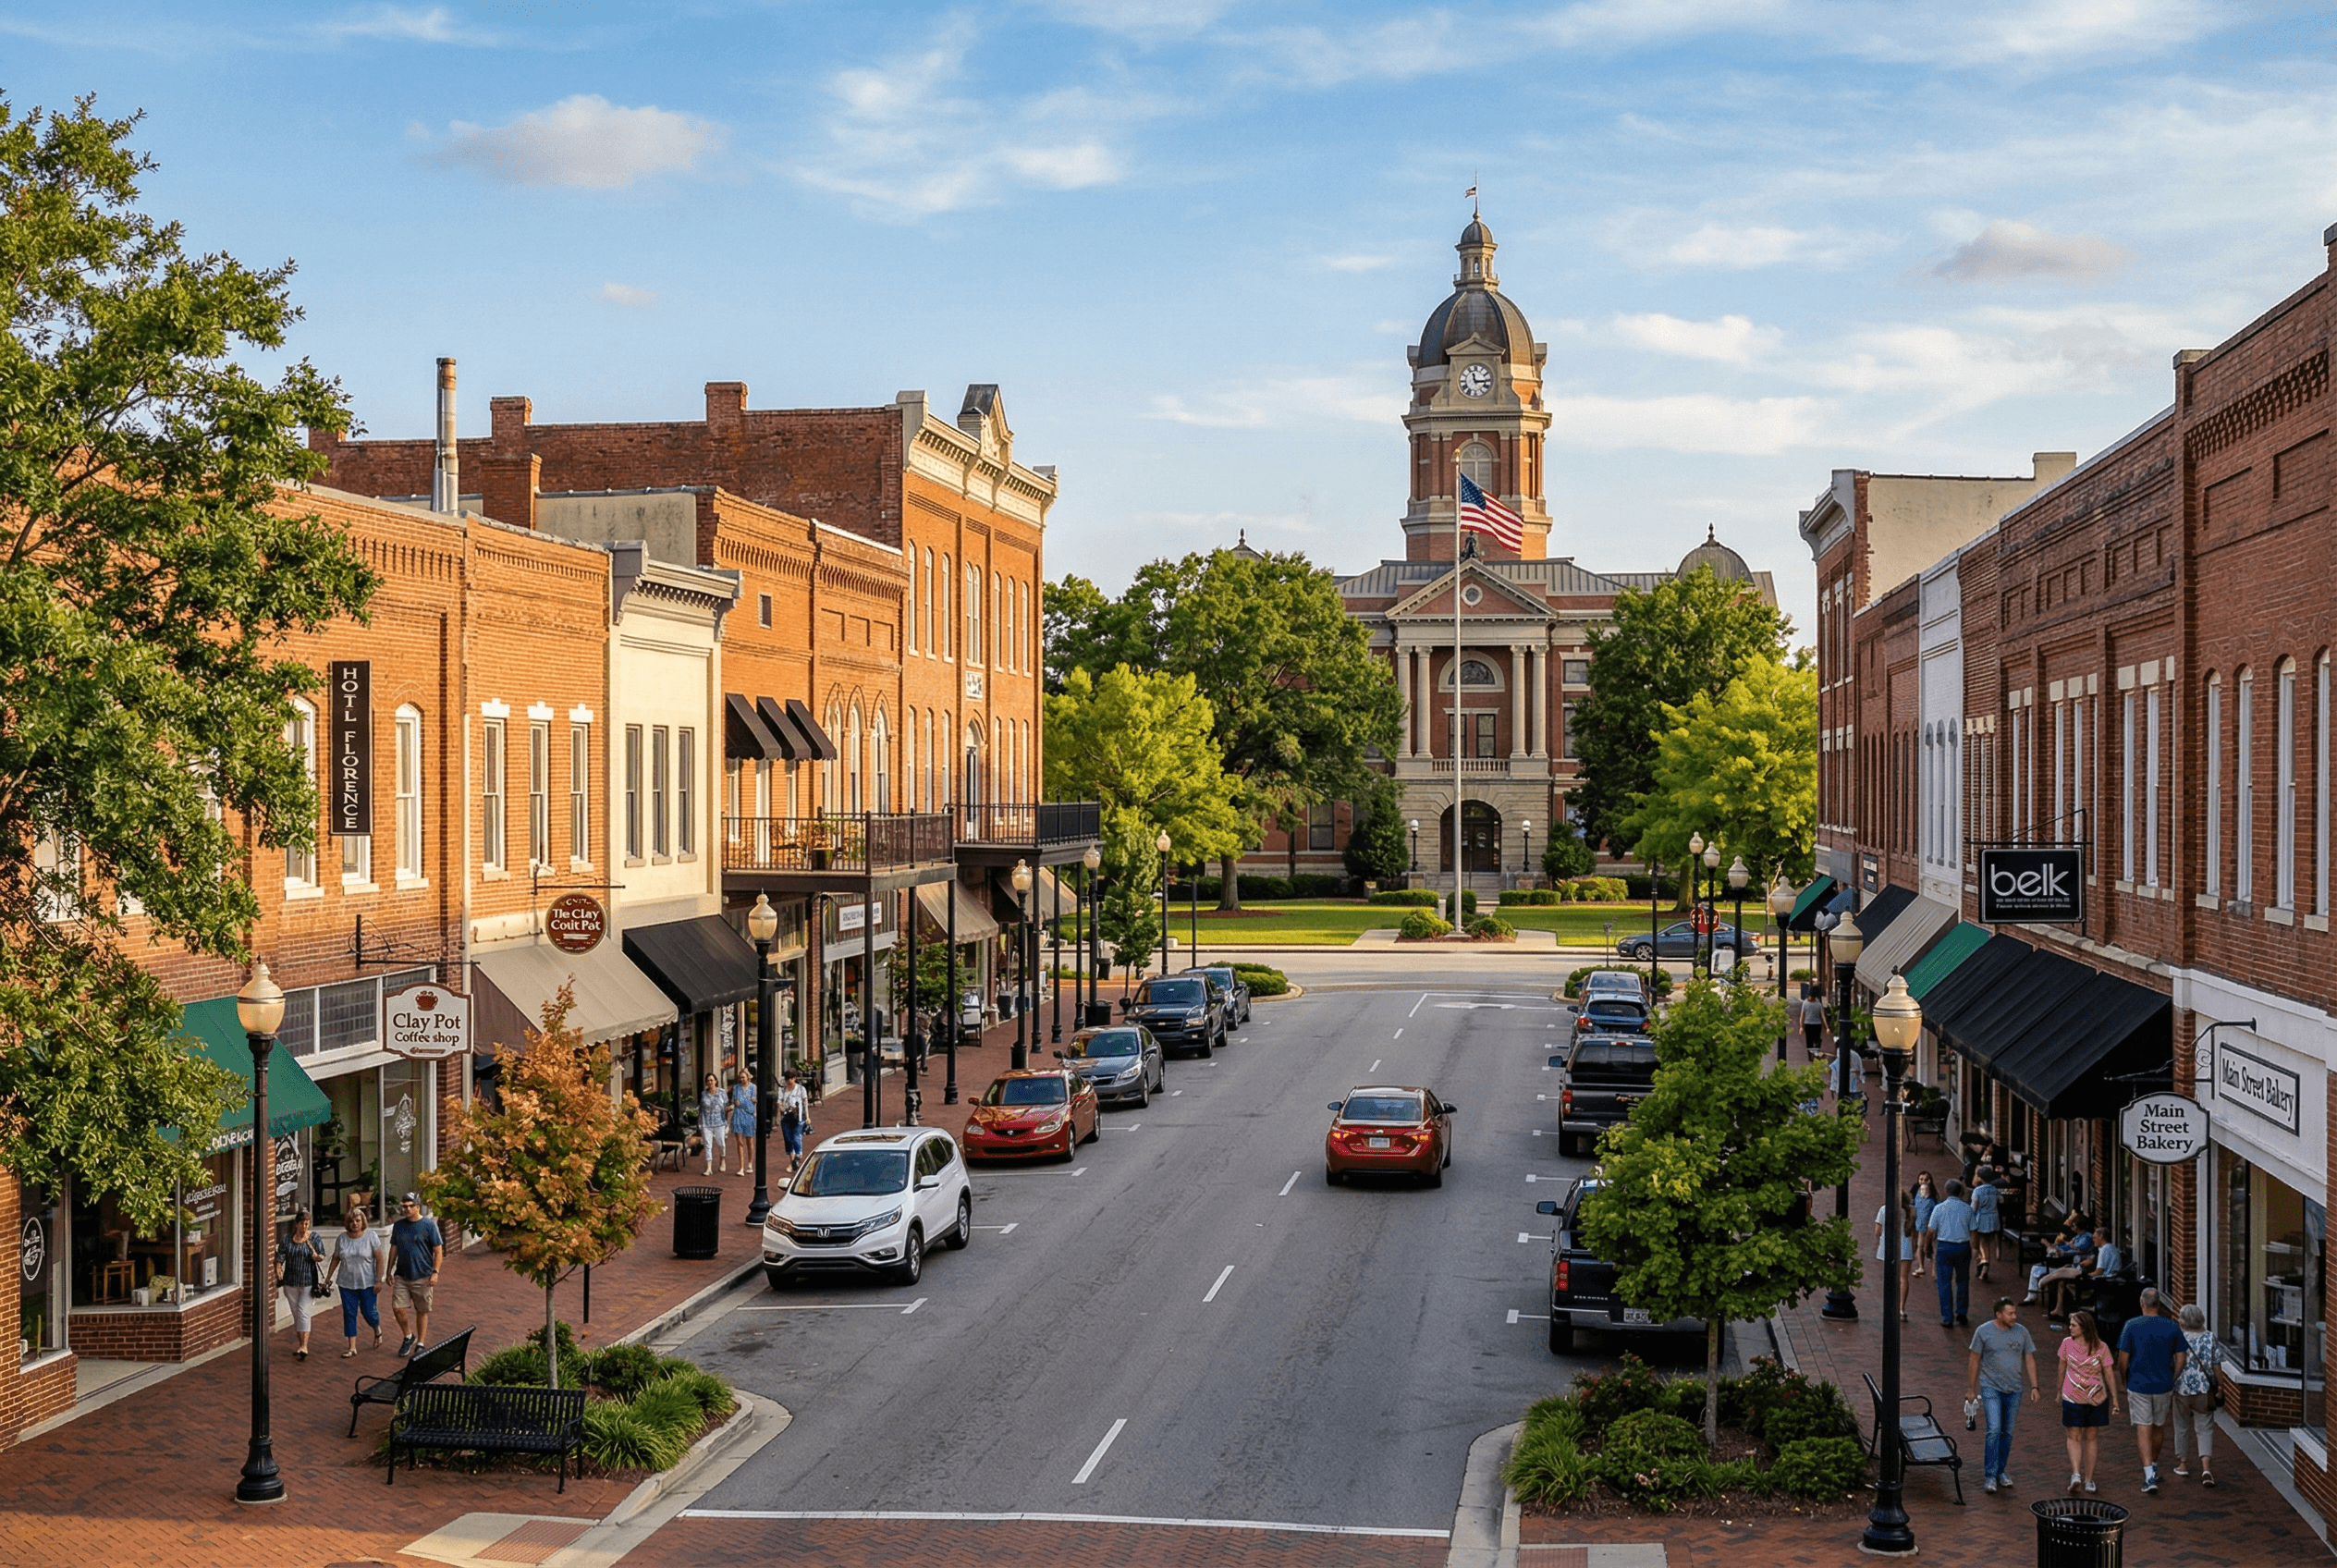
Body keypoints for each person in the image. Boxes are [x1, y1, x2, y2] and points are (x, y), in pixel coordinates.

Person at [2116, 1286, 2188, 1494]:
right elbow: (2181, 1358)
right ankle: (2154, 1467)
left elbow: (2122, 1358)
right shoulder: (2172, 1326)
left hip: (2138, 1384)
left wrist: (2124, 1378)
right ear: (2159, 1304)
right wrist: (2173, 1377)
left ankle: (2148, 1475)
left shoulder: (2132, 1325)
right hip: (2163, 1385)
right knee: (2158, 1426)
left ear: (2142, 1303)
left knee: (2143, 1427)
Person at [1966, 1294, 2041, 1494]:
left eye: (2015, 1312)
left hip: (2015, 1388)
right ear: (1998, 1315)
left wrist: (2035, 1386)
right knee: (1994, 1429)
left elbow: (2029, 1359)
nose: (2014, 1316)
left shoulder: (2022, 1332)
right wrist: (1971, 1389)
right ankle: (1990, 1475)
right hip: (1991, 1387)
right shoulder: (1983, 1331)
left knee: (2007, 1432)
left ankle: (2001, 1470)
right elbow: (1974, 1360)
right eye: (2010, 1313)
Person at [2058, 1308, 2121, 1494]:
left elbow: (2062, 1370)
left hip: (2076, 1397)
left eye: (2073, 1325)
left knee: (2075, 1436)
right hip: (2095, 1398)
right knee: (2089, 1437)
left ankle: (2079, 1474)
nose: (2070, 1328)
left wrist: (2058, 1390)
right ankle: (2086, 1479)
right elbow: (2108, 1374)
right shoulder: (2100, 1347)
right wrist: (2114, 1398)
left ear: (2084, 1328)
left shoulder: (2088, 1346)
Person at [2171, 1302, 2225, 1486]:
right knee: (2205, 1428)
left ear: (2183, 1321)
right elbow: (2216, 1365)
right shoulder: (2210, 1338)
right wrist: (2220, 1387)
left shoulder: (2178, 1338)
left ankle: (2183, 1464)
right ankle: (2206, 1469)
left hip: (2181, 1389)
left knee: (2181, 1426)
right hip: (2204, 1390)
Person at [387, 1192, 443, 1359]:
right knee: (397, 1308)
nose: (406, 1209)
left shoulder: (428, 1225)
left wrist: (435, 1272)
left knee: (422, 1310)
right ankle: (408, 1336)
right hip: (402, 1275)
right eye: (403, 1206)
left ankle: (420, 1343)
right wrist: (389, 1270)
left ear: (418, 1206)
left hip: (423, 1275)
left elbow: (438, 1250)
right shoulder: (399, 1226)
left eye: (409, 1206)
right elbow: (394, 1249)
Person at [325, 1207, 386, 1358]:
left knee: (369, 1312)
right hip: (346, 1283)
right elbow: (336, 1258)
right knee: (349, 1313)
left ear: (363, 1221)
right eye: (351, 1221)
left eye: (358, 1220)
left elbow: (379, 1259)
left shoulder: (371, 1236)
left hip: (367, 1282)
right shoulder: (342, 1238)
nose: (354, 1224)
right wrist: (328, 1277)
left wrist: (379, 1280)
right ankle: (352, 1347)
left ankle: (377, 1329)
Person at [273, 1210, 326, 1361]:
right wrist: (278, 1268)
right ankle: (301, 1343)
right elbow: (280, 1256)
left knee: (303, 1312)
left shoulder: (314, 1237)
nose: (305, 1226)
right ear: (296, 1224)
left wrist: (317, 1257)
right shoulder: (287, 1239)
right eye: (302, 1223)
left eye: (307, 1223)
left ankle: (304, 1346)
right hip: (290, 1282)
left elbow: (322, 1255)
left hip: (308, 1281)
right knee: (297, 1313)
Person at [1927, 1177, 1977, 1327]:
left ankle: (1947, 1317)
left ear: (1946, 1191)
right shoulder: (1967, 1209)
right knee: (1962, 1281)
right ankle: (1961, 1312)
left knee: (1944, 1282)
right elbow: (1974, 1231)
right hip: (1962, 1246)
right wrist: (1975, 1248)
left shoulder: (1939, 1208)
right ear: (1961, 1192)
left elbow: (1930, 1231)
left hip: (1944, 1246)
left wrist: (1928, 1247)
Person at [2037, 1226, 2103, 1322]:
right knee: (2062, 1277)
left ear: (2101, 1237)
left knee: (2063, 1271)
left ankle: (2043, 1282)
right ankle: (2058, 1309)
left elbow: (2094, 1267)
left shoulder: (2101, 1250)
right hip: (2082, 1271)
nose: (2093, 1240)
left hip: (2087, 1276)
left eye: (2095, 1237)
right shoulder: (2098, 1249)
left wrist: (2082, 1266)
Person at [1875, 1190, 1916, 1319]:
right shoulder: (1910, 1211)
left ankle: (1890, 1304)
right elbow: (1913, 1232)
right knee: (1903, 1278)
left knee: (1890, 1277)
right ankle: (1901, 1309)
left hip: (1889, 1246)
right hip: (1905, 1245)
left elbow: (1877, 1231)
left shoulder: (1884, 1209)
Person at [1971, 1166, 2002, 1282]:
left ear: (1980, 1178)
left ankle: (1979, 1267)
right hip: (1993, 1220)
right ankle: (1985, 1267)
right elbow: (2001, 1200)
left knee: (1976, 1245)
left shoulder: (1977, 1191)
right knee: (1986, 1244)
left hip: (1981, 1220)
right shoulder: (1994, 1189)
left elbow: (1973, 1208)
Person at [776, 1069, 810, 1178]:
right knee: (788, 1139)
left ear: (794, 1078)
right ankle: (792, 1162)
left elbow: (805, 1103)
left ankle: (798, 1155)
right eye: (787, 1079)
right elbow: (779, 1102)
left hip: (798, 1117)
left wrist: (808, 1117)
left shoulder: (801, 1089)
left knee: (796, 1137)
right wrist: (780, 1108)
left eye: (790, 1079)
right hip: (786, 1117)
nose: (788, 1081)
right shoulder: (782, 1090)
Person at [697, 1072, 730, 1175]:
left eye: (712, 1080)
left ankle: (722, 1160)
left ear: (716, 1081)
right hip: (706, 1123)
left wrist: (726, 1120)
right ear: (706, 1083)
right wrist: (699, 1123)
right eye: (708, 1081)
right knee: (708, 1144)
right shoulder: (703, 1094)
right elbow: (701, 1109)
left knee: (721, 1143)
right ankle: (709, 1168)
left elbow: (726, 1106)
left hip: (719, 1122)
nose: (710, 1082)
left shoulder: (722, 1092)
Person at [730, 1071, 759, 1178]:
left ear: (748, 1077)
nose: (742, 1079)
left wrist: (754, 1100)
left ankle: (750, 1163)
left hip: (749, 1115)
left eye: (743, 1077)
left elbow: (755, 1099)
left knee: (749, 1140)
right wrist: (735, 1103)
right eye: (740, 1078)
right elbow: (734, 1100)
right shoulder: (736, 1088)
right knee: (739, 1141)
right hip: (738, 1114)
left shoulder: (753, 1087)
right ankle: (741, 1167)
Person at [1912, 1170, 1939, 1278]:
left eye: (1925, 1179)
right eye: (1921, 1179)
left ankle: (1934, 1270)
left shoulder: (1933, 1193)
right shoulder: (1916, 1189)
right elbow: (1914, 1203)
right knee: (1920, 1246)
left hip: (1930, 1225)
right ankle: (1921, 1267)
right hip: (1920, 1224)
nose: (1923, 1181)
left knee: (1929, 1248)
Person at [1799, 983, 1826, 1062]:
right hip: (1810, 1024)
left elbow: (1823, 1016)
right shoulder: (1806, 1003)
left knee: (1815, 1040)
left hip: (1816, 1024)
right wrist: (1801, 1026)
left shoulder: (1818, 1004)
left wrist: (1826, 1026)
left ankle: (1815, 1053)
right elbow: (1802, 1015)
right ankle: (1811, 1055)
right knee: (1810, 1040)